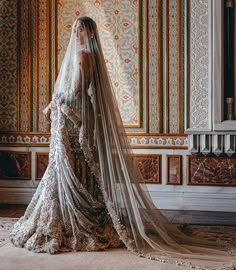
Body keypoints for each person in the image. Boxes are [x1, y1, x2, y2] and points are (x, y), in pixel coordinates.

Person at [10, 16, 236, 270]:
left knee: (71, 163)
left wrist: (52, 104)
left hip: (75, 117)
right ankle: (71, 211)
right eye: (75, 29)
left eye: (81, 30)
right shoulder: (85, 54)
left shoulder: (84, 55)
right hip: (75, 115)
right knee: (71, 164)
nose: (76, 34)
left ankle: (76, 216)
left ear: (90, 33)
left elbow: (75, 90)